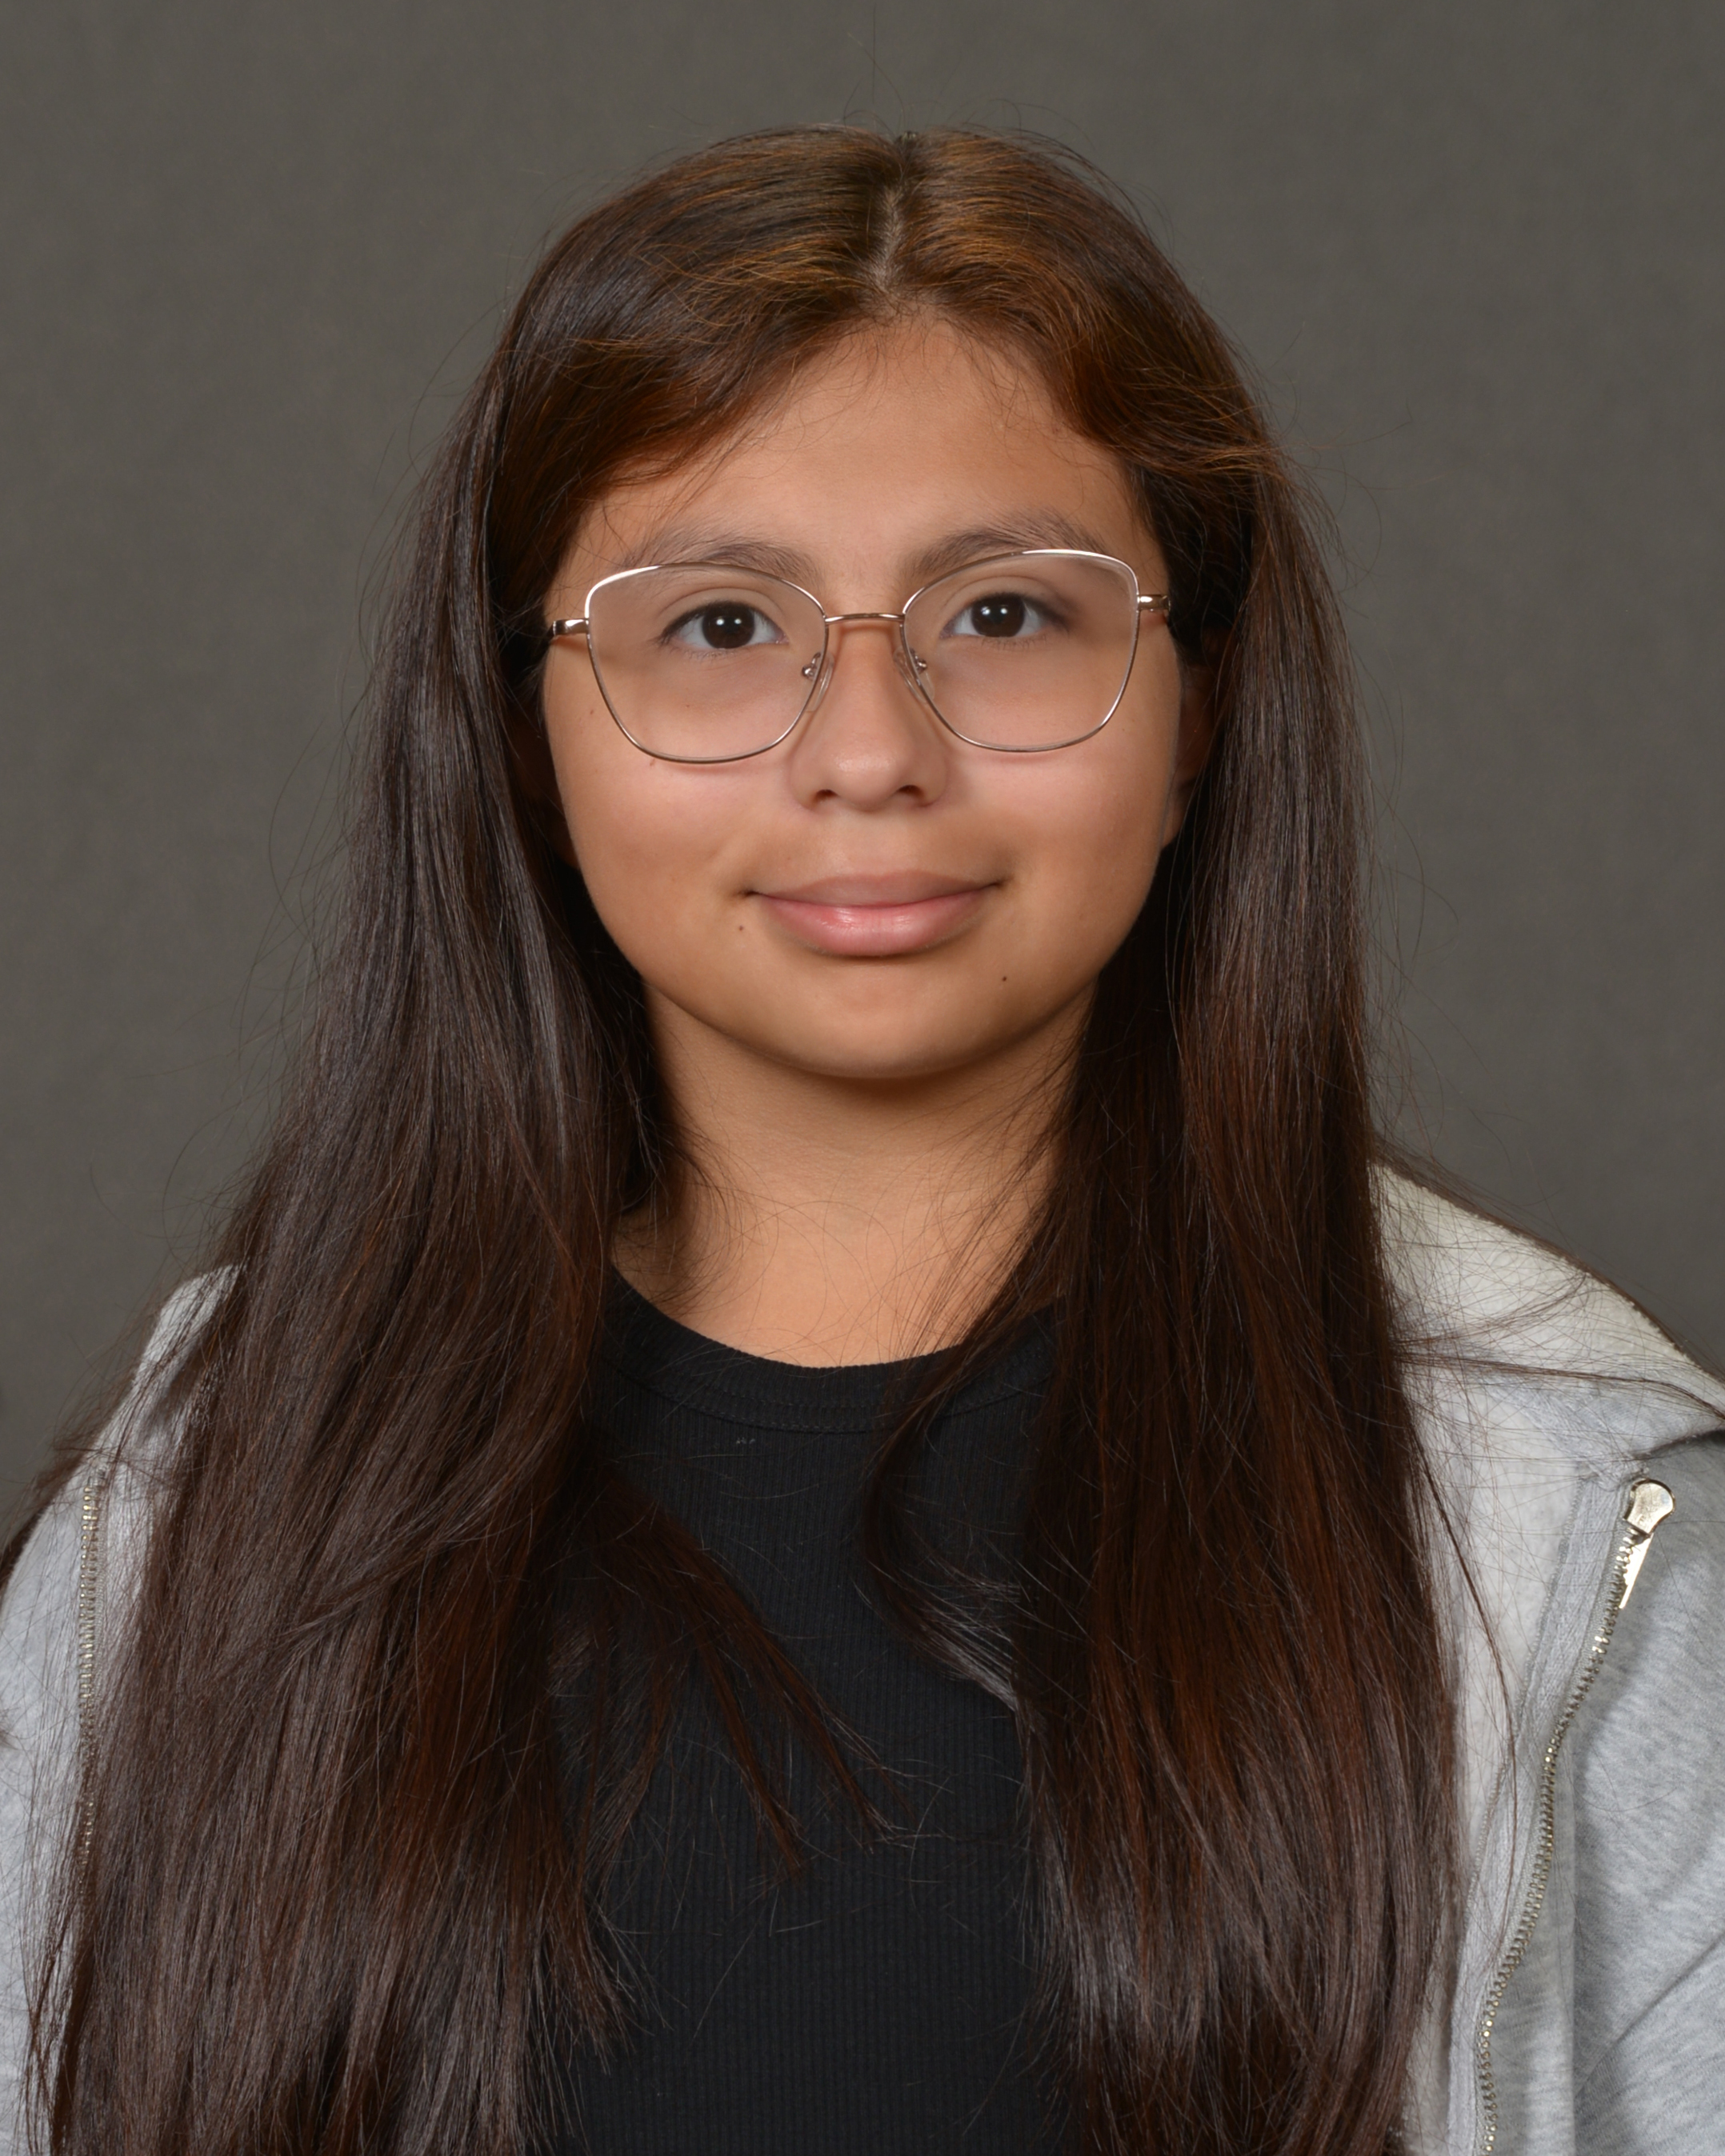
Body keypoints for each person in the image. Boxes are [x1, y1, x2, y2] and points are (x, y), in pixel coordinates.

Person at [1, 124, 1720, 2156]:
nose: (870, 754)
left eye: (1005, 612)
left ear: (1195, 712)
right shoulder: (211, 1493)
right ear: (528, 734)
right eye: (720, 626)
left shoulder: (1572, 1523)